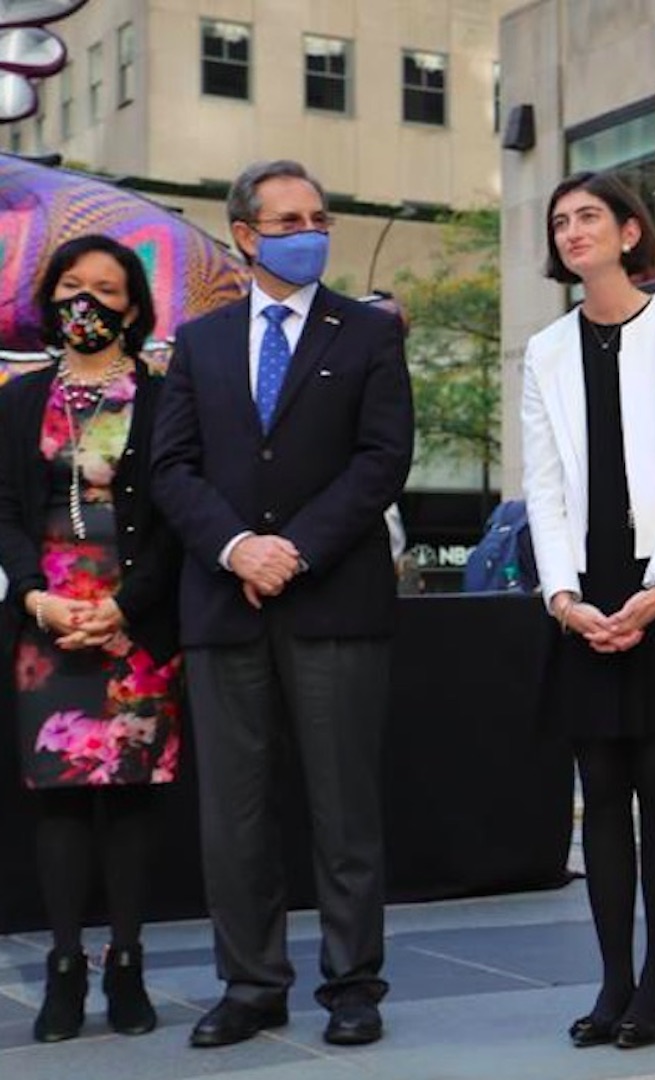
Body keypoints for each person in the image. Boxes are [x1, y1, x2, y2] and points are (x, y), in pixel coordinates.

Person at [150, 160, 414, 1049]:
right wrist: (237, 548)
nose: (310, 233)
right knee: (234, 816)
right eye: (289, 220)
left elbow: (382, 461)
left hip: (334, 603)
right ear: (245, 235)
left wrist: (293, 549)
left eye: (319, 218)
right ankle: (251, 984)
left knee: (345, 811)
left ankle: (353, 984)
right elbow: (171, 467)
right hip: (224, 606)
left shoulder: (368, 333)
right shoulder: (200, 342)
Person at [521, 171, 655, 1051]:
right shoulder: (545, 350)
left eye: (589, 217)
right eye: (560, 222)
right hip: (583, 589)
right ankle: (612, 982)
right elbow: (542, 486)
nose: (573, 232)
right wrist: (563, 597)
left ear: (629, 232)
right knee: (600, 794)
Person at [0, 235, 183, 1042]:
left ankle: (127, 964)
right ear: (50, 300)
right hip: (46, 622)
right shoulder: (18, 399)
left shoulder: (167, 398)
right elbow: (4, 508)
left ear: (133, 307)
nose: (87, 302)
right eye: (72, 285)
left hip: (132, 623)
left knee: (132, 796)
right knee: (62, 797)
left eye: (106, 290)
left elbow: (178, 515)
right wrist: (34, 597)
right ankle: (65, 969)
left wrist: (128, 607)